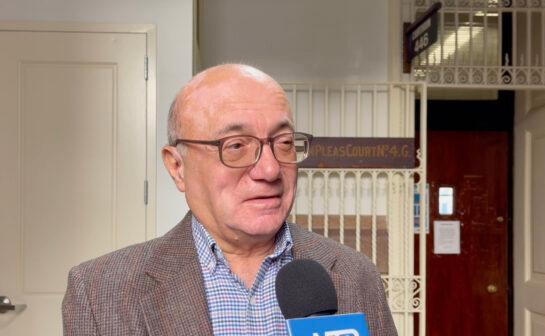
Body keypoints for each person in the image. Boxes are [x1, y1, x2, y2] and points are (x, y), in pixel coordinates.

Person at [62, 64, 397, 335]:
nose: (269, 169)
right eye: (236, 146)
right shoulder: (100, 291)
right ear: (177, 167)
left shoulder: (354, 275)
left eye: (283, 143)